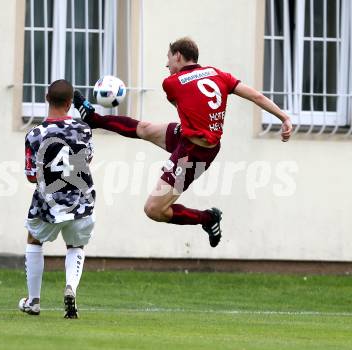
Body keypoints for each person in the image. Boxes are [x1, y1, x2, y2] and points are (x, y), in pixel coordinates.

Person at [73, 37, 292, 248]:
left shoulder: (171, 83)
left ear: (178, 56)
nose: (166, 64)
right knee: (145, 129)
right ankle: (94, 120)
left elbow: (183, 99)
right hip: (190, 137)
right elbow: (256, 97)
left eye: (168, 58)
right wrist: (284, 117)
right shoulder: (218, 74)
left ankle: (207, 218)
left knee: (153, 209)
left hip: (193, 153)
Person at [19, 79, 95, 319]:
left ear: (45, 98)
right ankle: (71, 286)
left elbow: (32, 177)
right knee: (75, 245)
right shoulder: (83, 129)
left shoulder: (34, 134)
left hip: (48, 205)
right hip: (80, 202)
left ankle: (33, 301)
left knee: (34, 239)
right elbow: (87, 160)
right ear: (70, 103)